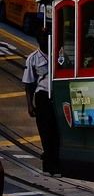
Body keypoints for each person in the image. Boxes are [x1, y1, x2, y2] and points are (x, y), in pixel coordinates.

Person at [23, 28, 60, 174]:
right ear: (39, 41)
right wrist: (30, 105)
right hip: (43, 96)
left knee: (56, 131)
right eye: (43, 39)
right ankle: (48, 164)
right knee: (45, 131)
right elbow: (28, 84)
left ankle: (57, 163)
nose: (45, 41)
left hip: (57, 96)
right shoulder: (33, 58)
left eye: (48, 38)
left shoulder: (58, 55)